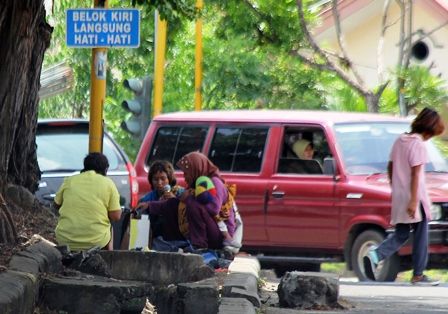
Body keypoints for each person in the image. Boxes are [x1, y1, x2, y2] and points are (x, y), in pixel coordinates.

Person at [363, 107, 445, 285]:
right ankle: (418, 274)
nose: (430, 138)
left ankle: (375, 255)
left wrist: (396, 188)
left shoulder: (400, 140)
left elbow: (390, 167)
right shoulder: (418, 144)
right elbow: (416, 174)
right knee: (421, 234)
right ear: (428, 129)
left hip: (400, 195)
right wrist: (414, 201)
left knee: (401, 234)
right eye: (432, 134)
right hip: (415, 198)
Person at [133, 152, 237, 251]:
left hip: (221, 237)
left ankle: (199, 246)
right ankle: (174, 244)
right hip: (209, 231)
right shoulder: (195, 185)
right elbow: (176, 202)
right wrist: (148, 205)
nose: (184, 177)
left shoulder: (215, 182)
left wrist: (189, 199)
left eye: (186, 174)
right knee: (172, 203)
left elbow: (214, 209)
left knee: (193, 205)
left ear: (195, 170)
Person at [53, 152, 121, 251]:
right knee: (110, 227)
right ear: (105, 169)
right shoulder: (108, 183)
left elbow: (56, 204)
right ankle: (109, 258)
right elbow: (116, 217)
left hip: (66, 241)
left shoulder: (70, 180)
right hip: (96, 243)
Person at [138, 160, 184, 239]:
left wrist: (174, 201)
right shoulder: (148, 198)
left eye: (163, 179)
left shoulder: (180, 193)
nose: (159, 182)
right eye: (155, 179)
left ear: (169, 179)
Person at [195, 176, 241, 251]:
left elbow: (214, 210)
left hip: (226, 231)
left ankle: (227, 238)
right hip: (224, 230)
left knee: (217, 217)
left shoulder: (216, 183)